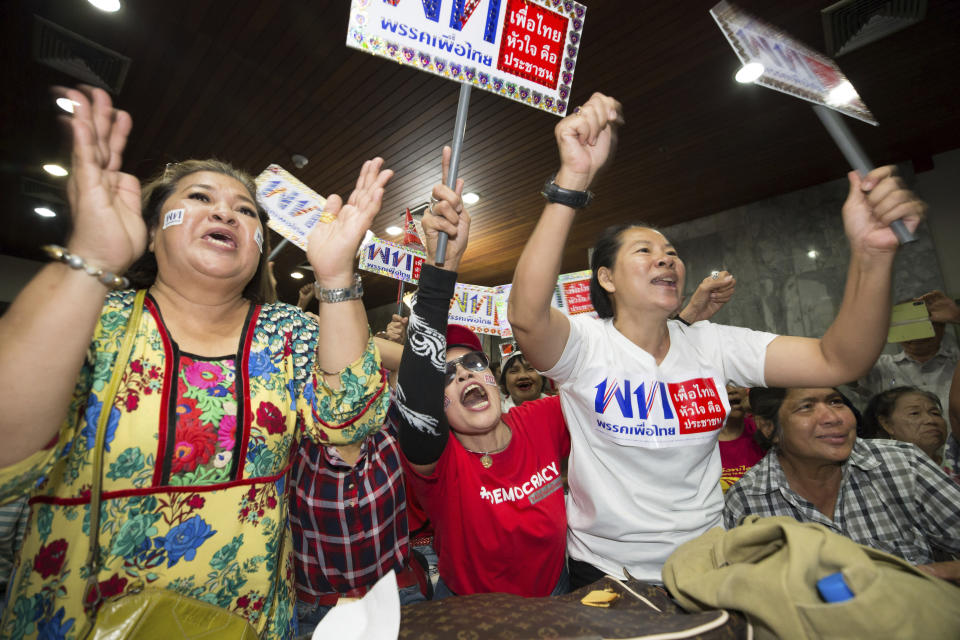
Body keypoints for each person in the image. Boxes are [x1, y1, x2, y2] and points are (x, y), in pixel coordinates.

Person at [0, 86, 389, 638]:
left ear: (258, 243)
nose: (225, 212)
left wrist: (335, 277)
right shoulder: (92, 318)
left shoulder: (288, 333)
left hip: (249, 623)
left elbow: (352, 421)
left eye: (245, 210)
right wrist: (91, 257)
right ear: (155, 230)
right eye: (202, 199)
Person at [507, 92, 926, 587]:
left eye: (671, 252)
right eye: (645, 251)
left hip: (706, 567)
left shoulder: (713, 344)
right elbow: (528, 317)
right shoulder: (585, 346)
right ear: (607, 279)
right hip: (605, 574)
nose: (667, 259)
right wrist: (573, 180)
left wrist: (872, 255)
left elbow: (839, 359)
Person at [394, 148, 571, 598]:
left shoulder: (543, 419)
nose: (465, 375)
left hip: (557, 597)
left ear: (492, 376)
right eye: (446, 375)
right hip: (471, 618)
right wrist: (441, 270)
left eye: (473, 363)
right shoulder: (438, 462)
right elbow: (415, 395)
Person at [724, 387, 960, 583]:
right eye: (806, 407)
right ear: (768, 427)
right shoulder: (747, 500)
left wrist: (919, 577)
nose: (834, 417)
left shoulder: (901, 464)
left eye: (836, 402)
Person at [847, 290, 960, 414]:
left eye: (924, 324)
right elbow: (843, 368)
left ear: (942, 327)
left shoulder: (956, 362)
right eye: (907, 327)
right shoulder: (881, 367)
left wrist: (957, 316)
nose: (917, 336)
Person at [863, 387, 949, 466]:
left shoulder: (955, 463)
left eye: (935, 413)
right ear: (887, 424)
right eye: (914, 413)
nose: (931, 420)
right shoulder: (881, 471)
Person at [718, 385, 766, 492]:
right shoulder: (703, 440)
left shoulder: (763, 430)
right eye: (724, 385)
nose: (732, 390)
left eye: (738, 384)